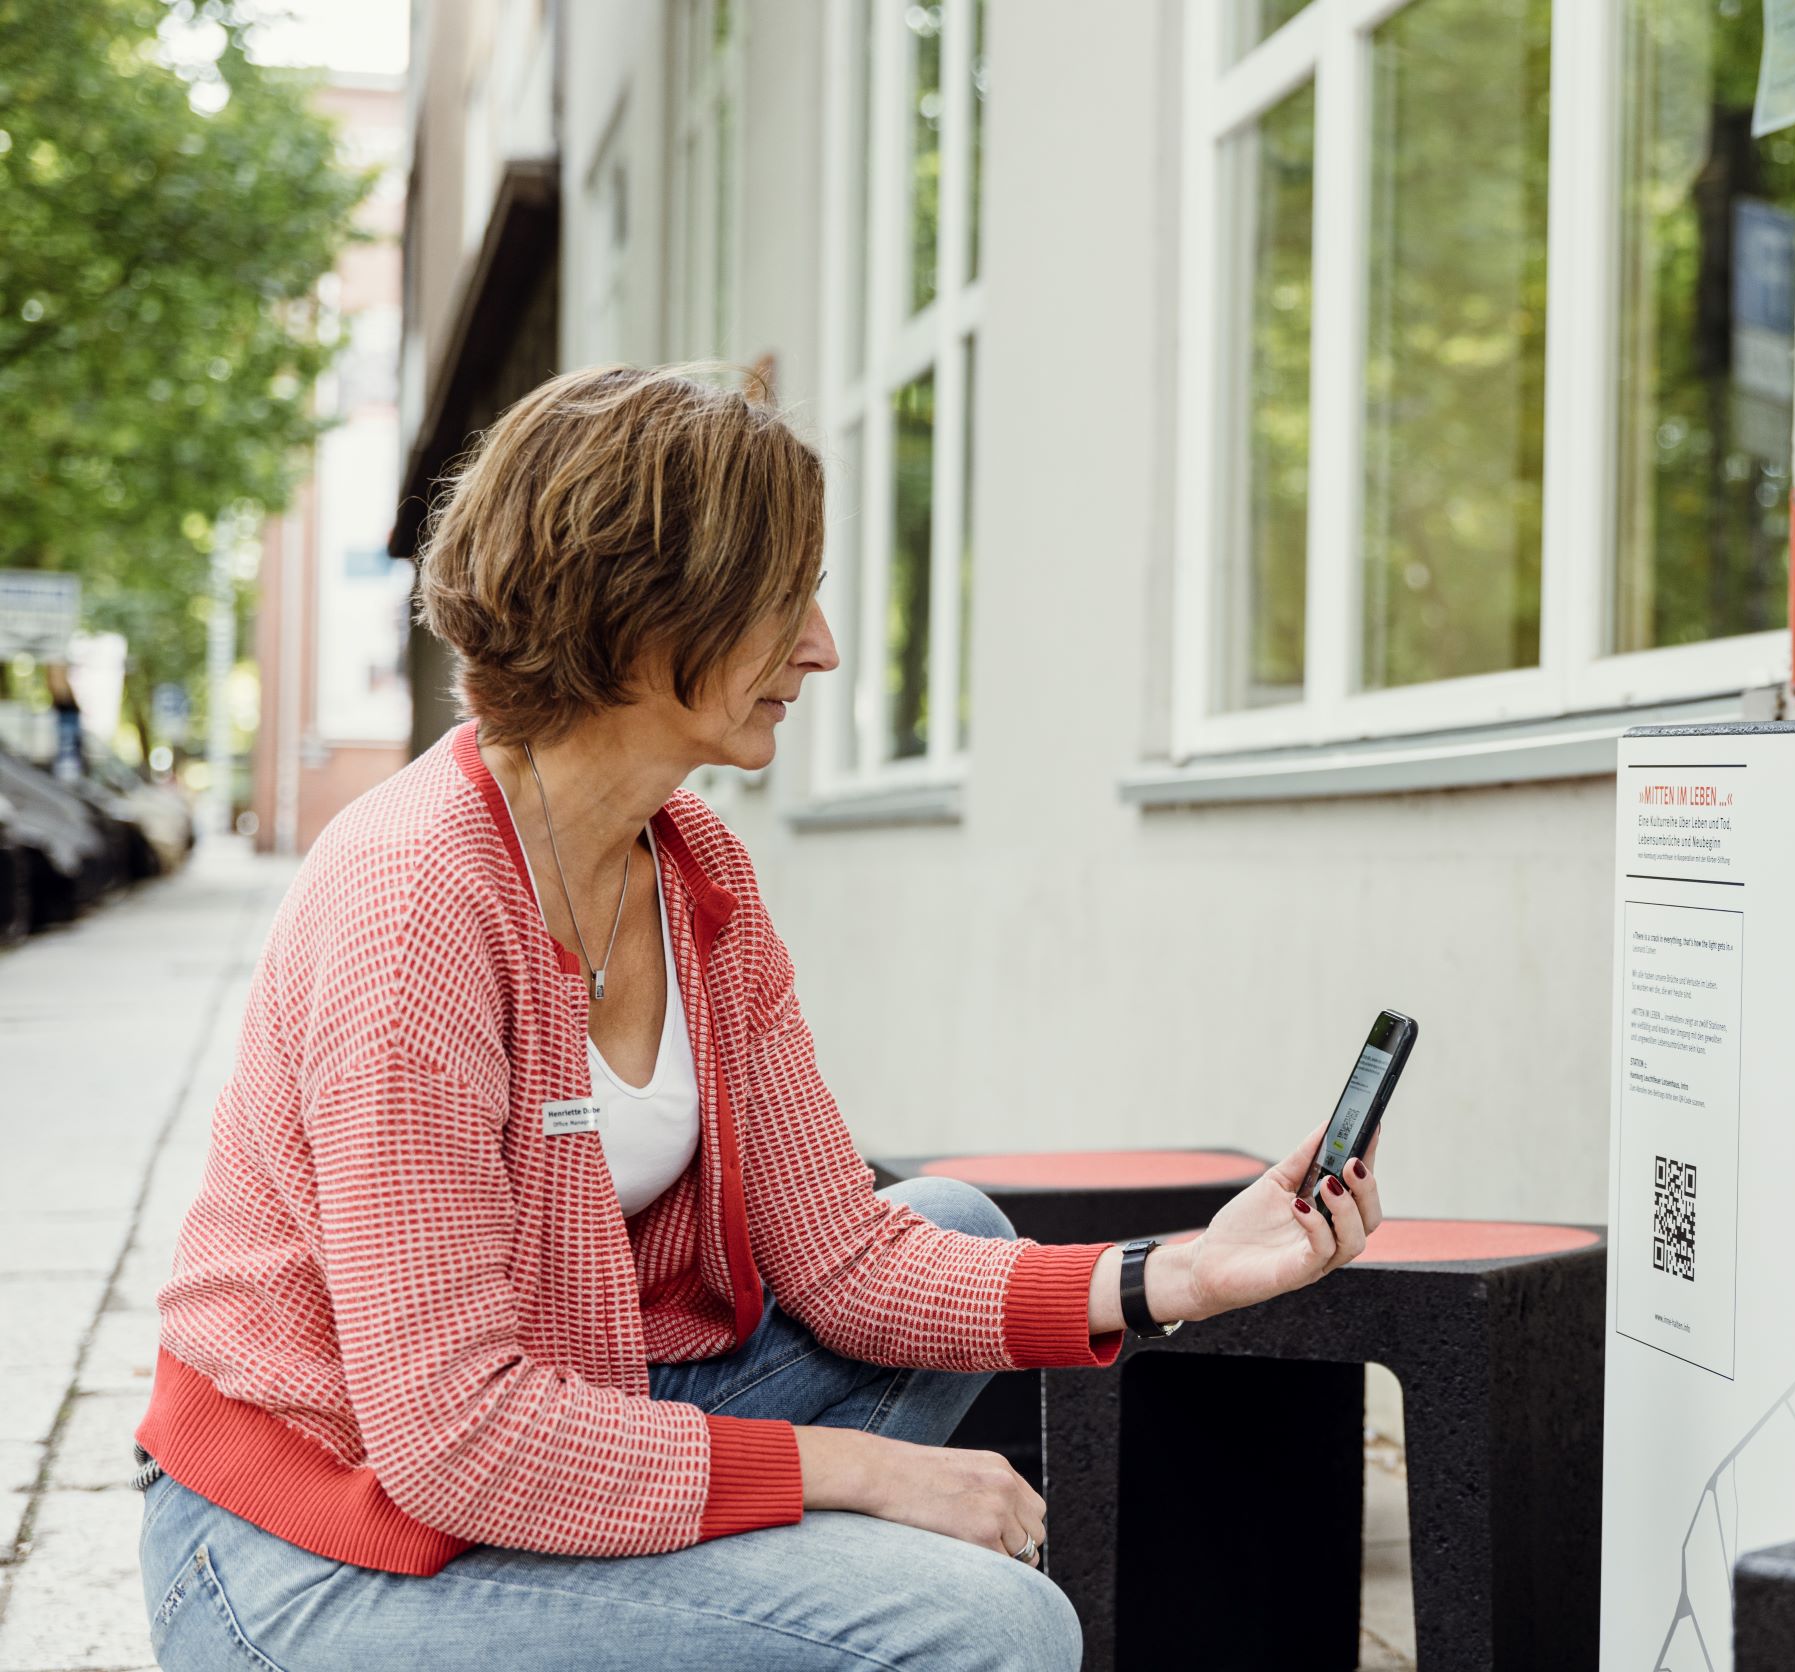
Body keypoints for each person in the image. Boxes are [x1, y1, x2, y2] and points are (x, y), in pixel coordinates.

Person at [132, 365, 1387, 1671]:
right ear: (648, 604)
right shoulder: (415, 907)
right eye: (788, 598)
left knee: (949, 1220)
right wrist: (854, 1476)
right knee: (995, 1628)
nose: (822, 647)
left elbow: (844, 1256)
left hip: (529, 1437)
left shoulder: (695, 873)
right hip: (315, 1548)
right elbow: (454, 1440)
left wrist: (1177, 1272)